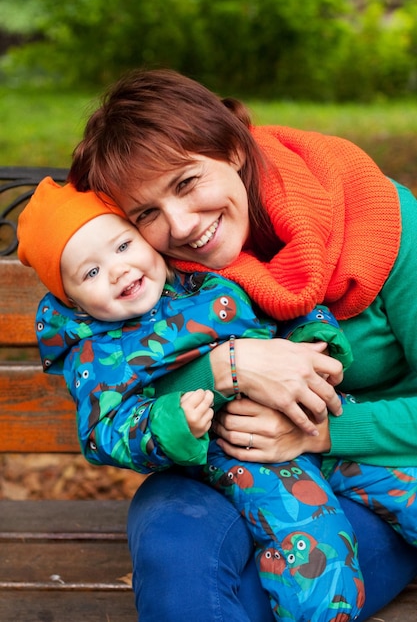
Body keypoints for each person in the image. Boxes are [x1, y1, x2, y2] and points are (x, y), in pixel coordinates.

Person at [65, 68, 417, 621]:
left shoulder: (381, 222)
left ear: (233, 148)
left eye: (185, 183)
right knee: (173, 561)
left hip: (378, 476)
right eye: (147, 214)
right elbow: (128, 385)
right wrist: (229, 365)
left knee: (274, 595)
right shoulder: (154, 272)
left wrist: (322, 431)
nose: (181, 225)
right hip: (225, 470)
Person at [18, 176, 363, 621]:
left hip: (323, 423)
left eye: (122, 247)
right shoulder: (100, 353)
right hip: (244, 454)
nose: (118, 270)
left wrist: (314, 338)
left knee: (403, 486)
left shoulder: (201, 274)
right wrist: (168, 421)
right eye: (91, 272)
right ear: (75, 303)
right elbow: (105, 429)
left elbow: (277, 298)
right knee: (316, 546)